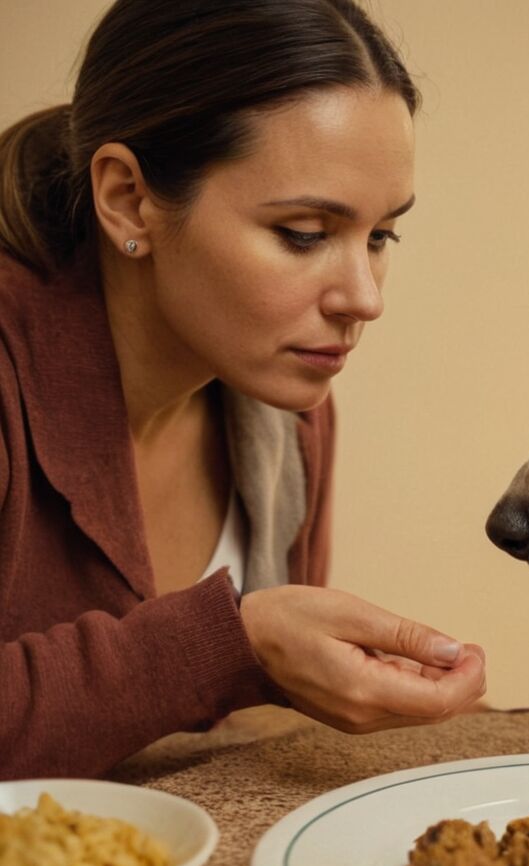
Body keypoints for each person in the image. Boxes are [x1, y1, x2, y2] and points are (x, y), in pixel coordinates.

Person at [0, 0, 487, 780]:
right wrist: (233, 645)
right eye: (304, 234)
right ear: (129, 199)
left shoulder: (287, 414)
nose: (364, 297)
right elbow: (218, 661)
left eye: (381, 236)